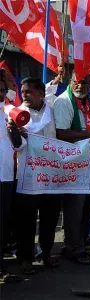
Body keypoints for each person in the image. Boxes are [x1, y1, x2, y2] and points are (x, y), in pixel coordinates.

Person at [7, 78, 60, 275]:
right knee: (27, 221)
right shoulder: (18, 114)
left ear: (40, 93)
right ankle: (25, 258)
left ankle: (45, 254)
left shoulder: (51, 110)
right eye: (23, 92)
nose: (25, 96)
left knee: (50, 218)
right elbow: (18, 146)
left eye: (29, 91)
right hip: (28, 175)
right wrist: (15, 132)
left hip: (51, 175)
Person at [53, 72, 90, 265]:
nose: (80, 86)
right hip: (73, 164)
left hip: (87, 161)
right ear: (70, 82)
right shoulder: (65, 101)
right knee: (75, 207)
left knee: (86, 206)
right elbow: (61, 133)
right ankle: (74, 248)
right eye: (77, 82)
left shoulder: (86, 102)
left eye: (84, 83)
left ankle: (79, 242)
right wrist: (89, 134)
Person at [0, 78, 23, 283]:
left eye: (1, 90)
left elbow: (19, 145)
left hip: (5, 176)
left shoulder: (11, 113)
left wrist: (13, 130)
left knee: (3, 223)